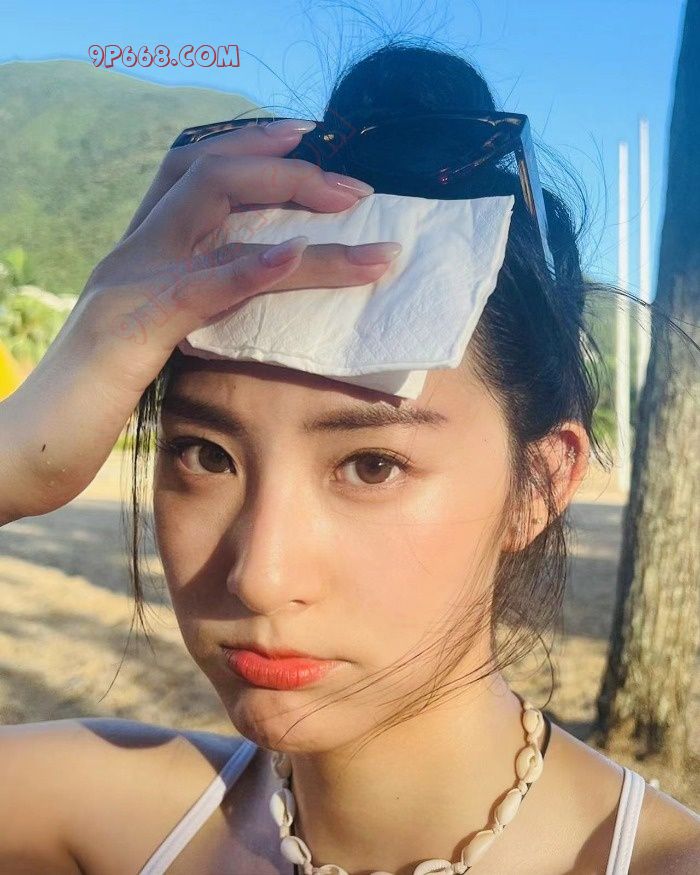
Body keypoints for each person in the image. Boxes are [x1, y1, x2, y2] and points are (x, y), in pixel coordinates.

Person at [1, 42, 698, 875]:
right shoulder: (104, 817)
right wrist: (16, 457)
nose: (259, 576)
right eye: (205, 454)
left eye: (372, 465)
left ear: (540, 483)